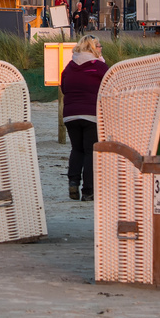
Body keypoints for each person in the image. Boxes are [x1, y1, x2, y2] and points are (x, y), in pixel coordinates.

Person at [59, 35, 109, 202]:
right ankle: (88, 191)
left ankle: (73, 181)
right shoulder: (100, 67)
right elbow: (109, 88)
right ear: (94, 48)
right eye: (99, 46)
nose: (101, 49)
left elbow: (64, 88)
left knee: (76, 149)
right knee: (90, 151)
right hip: (91, 115)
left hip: (70, 115)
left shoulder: (70, 67)